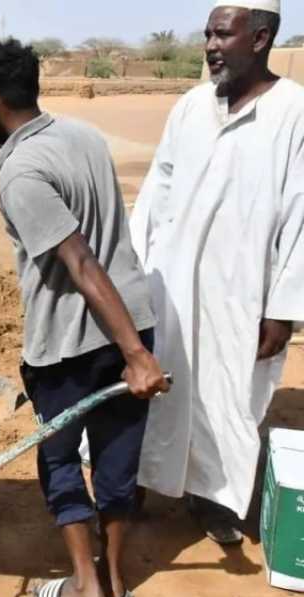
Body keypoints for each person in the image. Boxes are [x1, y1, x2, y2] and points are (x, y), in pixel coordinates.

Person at [0, 39, 169, 597]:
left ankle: (86, 587)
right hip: (134, 318)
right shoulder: (84, 135)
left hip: (70, 346)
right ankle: (117, 581)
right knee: (116, 460)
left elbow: (80, 262)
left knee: (59, 458)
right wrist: (135, 345)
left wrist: (134, 355)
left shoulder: (22, 173)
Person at [130, 0, 304, 544]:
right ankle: (134, 482)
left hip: (244, 293)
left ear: (260, 38)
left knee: (230, 397)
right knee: (156, 384)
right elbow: (156, 190)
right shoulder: (189, 106)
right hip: (171, 285)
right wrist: (133, 276)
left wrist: (284, 309)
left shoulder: (294, 112)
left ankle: (214, 498)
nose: (209, 46)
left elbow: (302, 216)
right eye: (207, 33)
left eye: (222, 35)